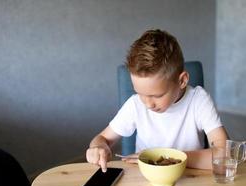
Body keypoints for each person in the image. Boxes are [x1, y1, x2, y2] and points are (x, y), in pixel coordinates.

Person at [86, 29, 228, 172]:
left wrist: (163, 158)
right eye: (140, 93)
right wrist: (97, 147)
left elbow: (225, 155)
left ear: (182, 81)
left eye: (157, 96)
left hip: (190, 181)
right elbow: (102, 138)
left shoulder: (199, 100)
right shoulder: (135, 104)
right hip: (144, 183)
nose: (148, 104)